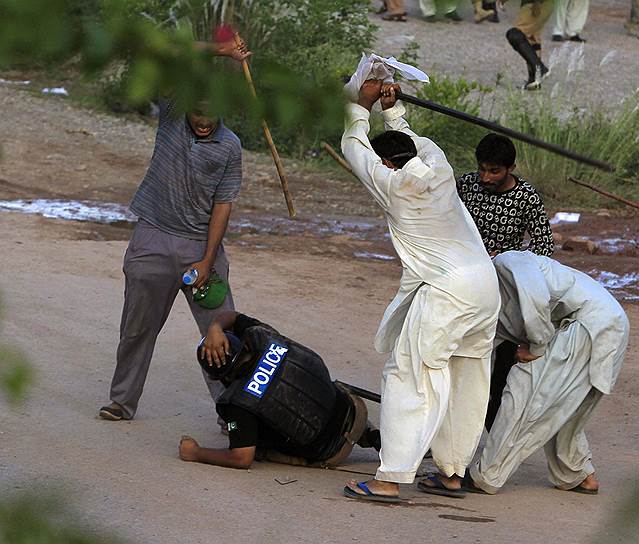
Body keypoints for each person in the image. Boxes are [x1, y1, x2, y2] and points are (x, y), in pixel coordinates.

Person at [340, 79, 500, 503]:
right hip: (486, 287)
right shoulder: (440, 169)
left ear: (389, 165)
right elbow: (418, 144)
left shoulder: (397, 187)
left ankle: (390, 478)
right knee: (467, 378)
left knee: (411, 375)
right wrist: (393, 113)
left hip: (449, 290)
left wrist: (361, 106)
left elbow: (355, 150)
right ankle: (451, 474)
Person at [98, 37, 252, 422]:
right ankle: (122, 401)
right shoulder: (172, 115)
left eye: (210, 114)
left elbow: (223, 205)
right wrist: (221, 51)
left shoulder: (230, 146)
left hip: (201, 248)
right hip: (151, 237)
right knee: (136, 330)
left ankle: (232, 415)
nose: (202, 120)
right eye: (196, 112)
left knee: (222, 334)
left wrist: (207, 259)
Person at [419, 251, 629, 496]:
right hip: (606, 327)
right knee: (561, 406)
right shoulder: (488, 305)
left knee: (524, 392)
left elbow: (536, 298)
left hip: (590, 324)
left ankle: (486, 475)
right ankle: (577, 473)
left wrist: (537, 346)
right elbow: (475, 351)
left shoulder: (509, 262)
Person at [178, 311, 380, 469]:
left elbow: (241, 458)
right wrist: (216, 326)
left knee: (255, 446)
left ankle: (356, 438)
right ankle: (369, 434)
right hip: (352, 409)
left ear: (216, 376)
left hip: (331, 451)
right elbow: (234, 316)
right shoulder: (262, 336)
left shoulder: (236, 403)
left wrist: (197, 453)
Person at [457, 133, 555, 257]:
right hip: (463, 259)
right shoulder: (466, 184)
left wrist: (509, 259)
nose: (486, 178)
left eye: (494, 171)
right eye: (482, 169)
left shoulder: (526, 196)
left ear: (510, 168)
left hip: (502, 269)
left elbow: (544, 244)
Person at [506, 0, 553, 90]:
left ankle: (539, 68)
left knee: (514, 35)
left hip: (534, 4)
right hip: (546, 4)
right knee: (532, 37)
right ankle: (534, 80)